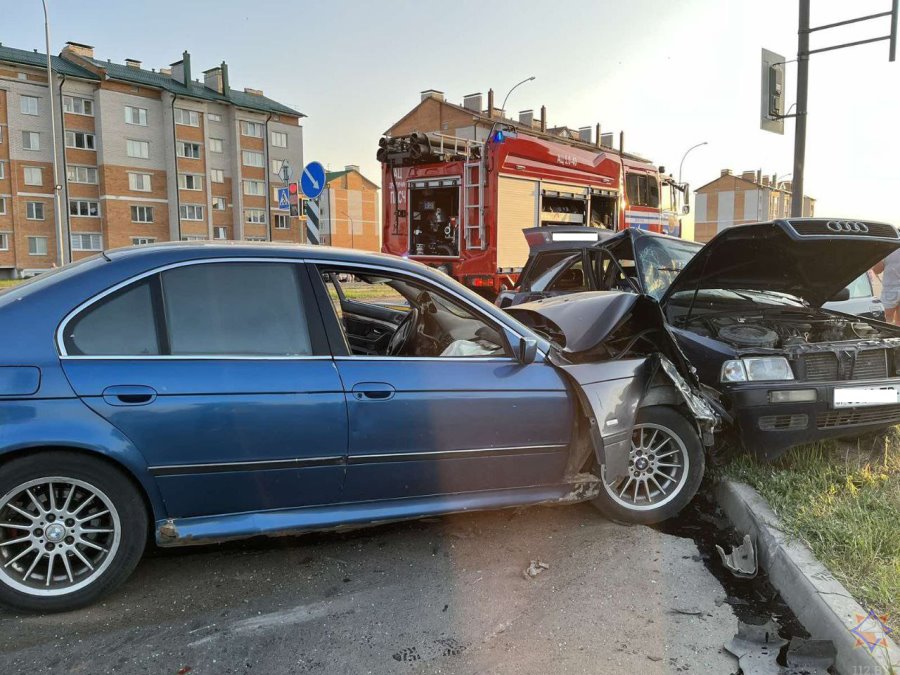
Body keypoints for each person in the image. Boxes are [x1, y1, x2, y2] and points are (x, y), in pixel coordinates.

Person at [872, 249, 900, 325]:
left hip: (890, 290)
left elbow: (877, 270)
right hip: (891, 290)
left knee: (886, 320)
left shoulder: (889, 248)